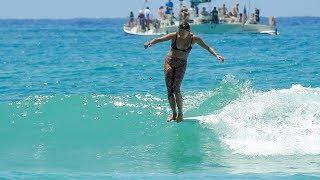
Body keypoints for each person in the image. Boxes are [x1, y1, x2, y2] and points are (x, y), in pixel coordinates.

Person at [143, 22, 224, 122]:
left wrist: (217, 55)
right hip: (169, 61)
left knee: (176, 88)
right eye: (179, 31)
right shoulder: (174, 36)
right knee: (169, 89)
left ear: (188, 31)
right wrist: (150, 43)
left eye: (182, 32)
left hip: (181, 64)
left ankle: (180, 113)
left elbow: (207, 47)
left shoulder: (194, 39)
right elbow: (160, 39)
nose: (180, 34)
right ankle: (174, 114)